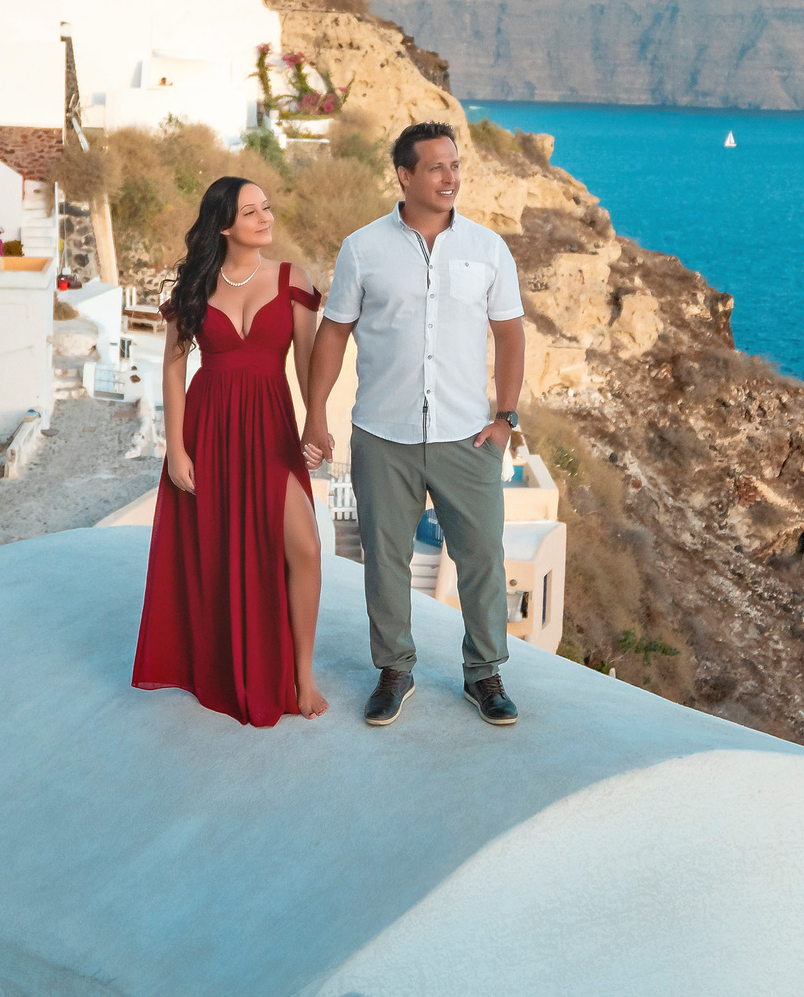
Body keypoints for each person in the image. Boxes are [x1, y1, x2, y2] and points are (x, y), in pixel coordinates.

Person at [305, 121, 528, 728]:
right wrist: (316, 414)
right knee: (385, 560)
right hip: (382, 434)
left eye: (454, 166)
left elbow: (510, 336)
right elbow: (333, 333)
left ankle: (484, 675)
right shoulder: (363, 248)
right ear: (404, 175)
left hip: (467, 437)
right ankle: (394, 671)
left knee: (482, 557)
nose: (450, 177)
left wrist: (505, 417)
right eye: (435, 167)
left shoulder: (488, 249)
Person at [131, 176, 332, 726]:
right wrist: (175, 450)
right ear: (225, 225)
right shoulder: (197, 287)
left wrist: (317, 423)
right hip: (210, 429)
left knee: (305, 546)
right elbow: (173, 372)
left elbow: (309, 365)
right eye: (251, 212)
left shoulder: (292, 280)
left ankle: (303, 674)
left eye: (267, 207)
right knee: (221, 550)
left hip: (270, 429)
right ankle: (225, 660)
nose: (266, 218)